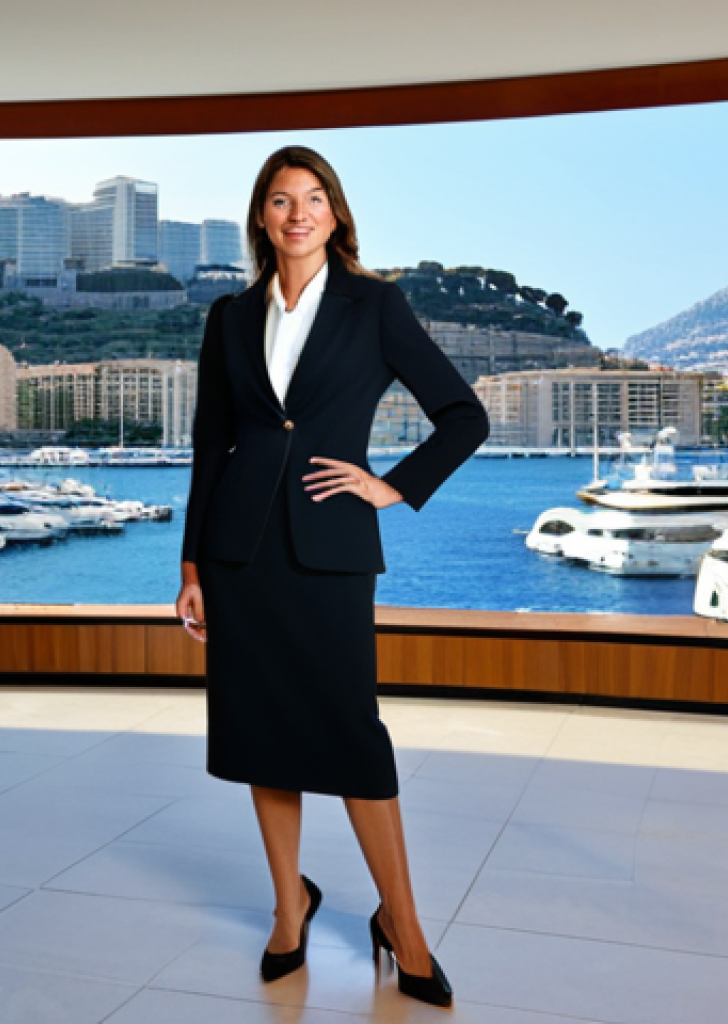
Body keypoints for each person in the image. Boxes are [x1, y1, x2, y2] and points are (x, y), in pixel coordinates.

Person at [175, 146, 489, 1007]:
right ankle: (290, 907)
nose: (298, 213)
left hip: (331, 551)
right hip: (239, 556)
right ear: (262, 219)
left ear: (337, 215)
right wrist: (192, 561)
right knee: (260, 733)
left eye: (314, 198)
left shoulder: (375, 305)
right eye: (281, 201)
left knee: (352, 735)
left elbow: (465, 416)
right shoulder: (229, 318)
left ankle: (404, 923)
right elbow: (213, 445)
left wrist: (393, 486)